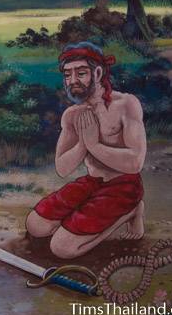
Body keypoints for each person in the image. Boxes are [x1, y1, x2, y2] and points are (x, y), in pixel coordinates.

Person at [25, 41, 147, 259]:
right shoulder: (72, 114)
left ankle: (131, 211)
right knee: (35, 225)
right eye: (67, 75)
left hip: (124, 185)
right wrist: (82, 144)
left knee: (61, 249)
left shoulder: (126, 104)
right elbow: (62, 168)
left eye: (80, 73)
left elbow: (135, 163)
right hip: (93, 183)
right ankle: (79, 223)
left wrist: (94, 146)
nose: (72, 81)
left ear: (98, 72)